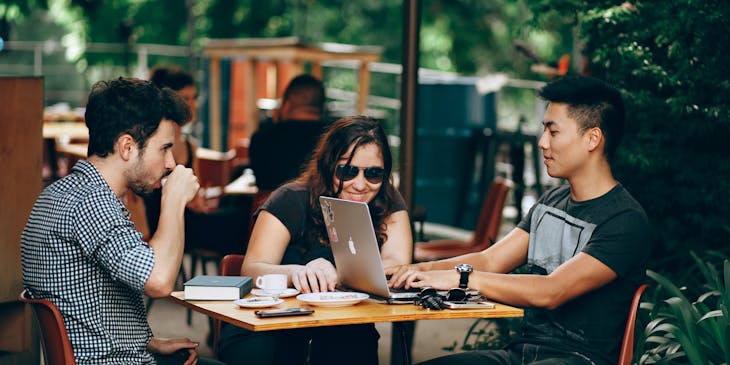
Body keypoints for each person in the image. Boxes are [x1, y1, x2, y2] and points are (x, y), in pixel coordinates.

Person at [386, 75, 651, 365]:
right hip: (523, 354)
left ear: (592, 138)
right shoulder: (551, 203)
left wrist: (462, 278)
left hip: (579, 359)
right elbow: (489, 261)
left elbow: (552, 291)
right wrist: (415, 271)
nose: (542, 143)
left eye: (553, 131)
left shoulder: (624, 220)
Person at [21, 77, 223, 365]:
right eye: (164, 148)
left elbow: (84, 306)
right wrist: (175, 199)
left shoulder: (62, 193)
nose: (171, 163)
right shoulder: (92, 203)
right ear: (127, 146)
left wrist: (147, 343)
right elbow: (159, 281)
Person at [217, 116, 413, 365]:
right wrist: (298, 272)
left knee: (353, 342)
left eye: (374, 174)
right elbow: (252, 268)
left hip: (342, 325)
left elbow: (396, 263)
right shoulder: (290, 199)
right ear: (328, 165)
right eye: (348, 171)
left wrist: (339, 274)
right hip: (272, 323)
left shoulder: (387, 200)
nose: (361, 184)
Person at [248, 73, 328, 192]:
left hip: (269, 208)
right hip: (317, 208)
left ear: (287, 103)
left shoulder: (262, 138)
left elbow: (261, 182)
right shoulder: (333, 138)